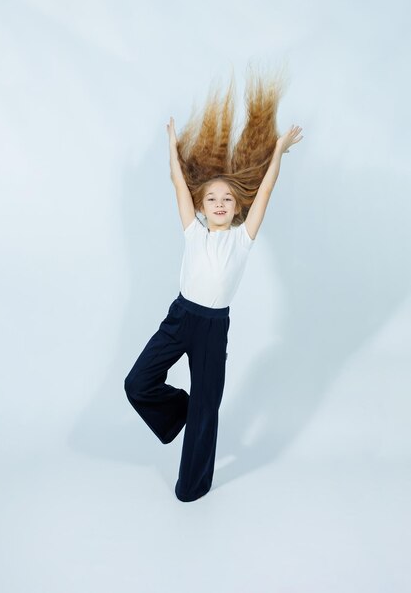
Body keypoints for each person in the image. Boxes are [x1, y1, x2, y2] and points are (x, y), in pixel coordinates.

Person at [124, 66, 303, 502]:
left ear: (236, 206)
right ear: (202, 207)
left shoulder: (243, 240)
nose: (220, 204)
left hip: (213, 327)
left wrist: (278, 150)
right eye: (212, 199)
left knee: (209, 407)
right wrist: (171, 148)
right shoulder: (193, 232)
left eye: (227, 199)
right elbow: (177, 186)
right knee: (137, 383)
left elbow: (266, 191)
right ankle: (182, 414)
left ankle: (194, 482)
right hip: (180, 317)